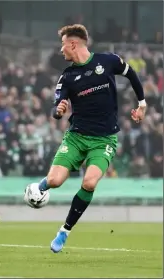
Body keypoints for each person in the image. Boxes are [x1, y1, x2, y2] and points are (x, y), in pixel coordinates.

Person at [37, 24, 146, 253]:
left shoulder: (108, 61)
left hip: (104, 140)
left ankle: (64, 231)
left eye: (63, 45)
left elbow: (132, 75)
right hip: (76, 137)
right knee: (55, 181)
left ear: (73, 44)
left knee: (89, 182)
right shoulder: (67, 77)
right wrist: (59, 110)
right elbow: (56, 108)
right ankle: (41, 186)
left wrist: (142, 104)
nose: (61, 50)